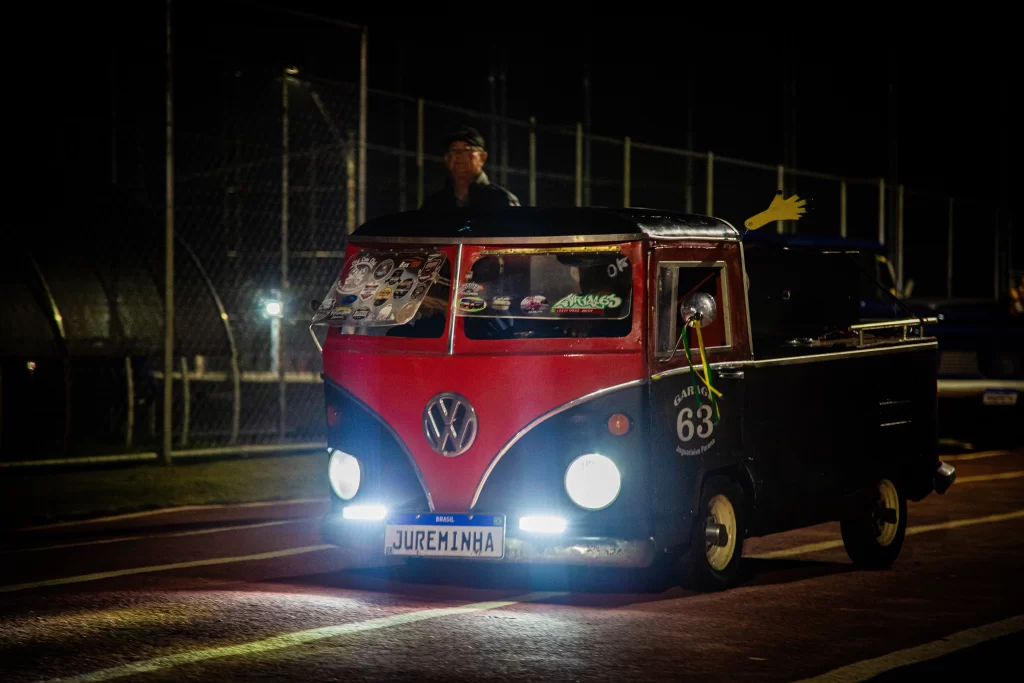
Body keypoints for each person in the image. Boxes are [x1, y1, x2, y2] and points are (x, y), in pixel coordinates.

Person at [420, 125, 520, 210]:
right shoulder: (434, 204)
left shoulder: (501, 200)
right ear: (446, 158)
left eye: (467, 150)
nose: (458, 155)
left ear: (482, 157)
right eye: (453, 150)